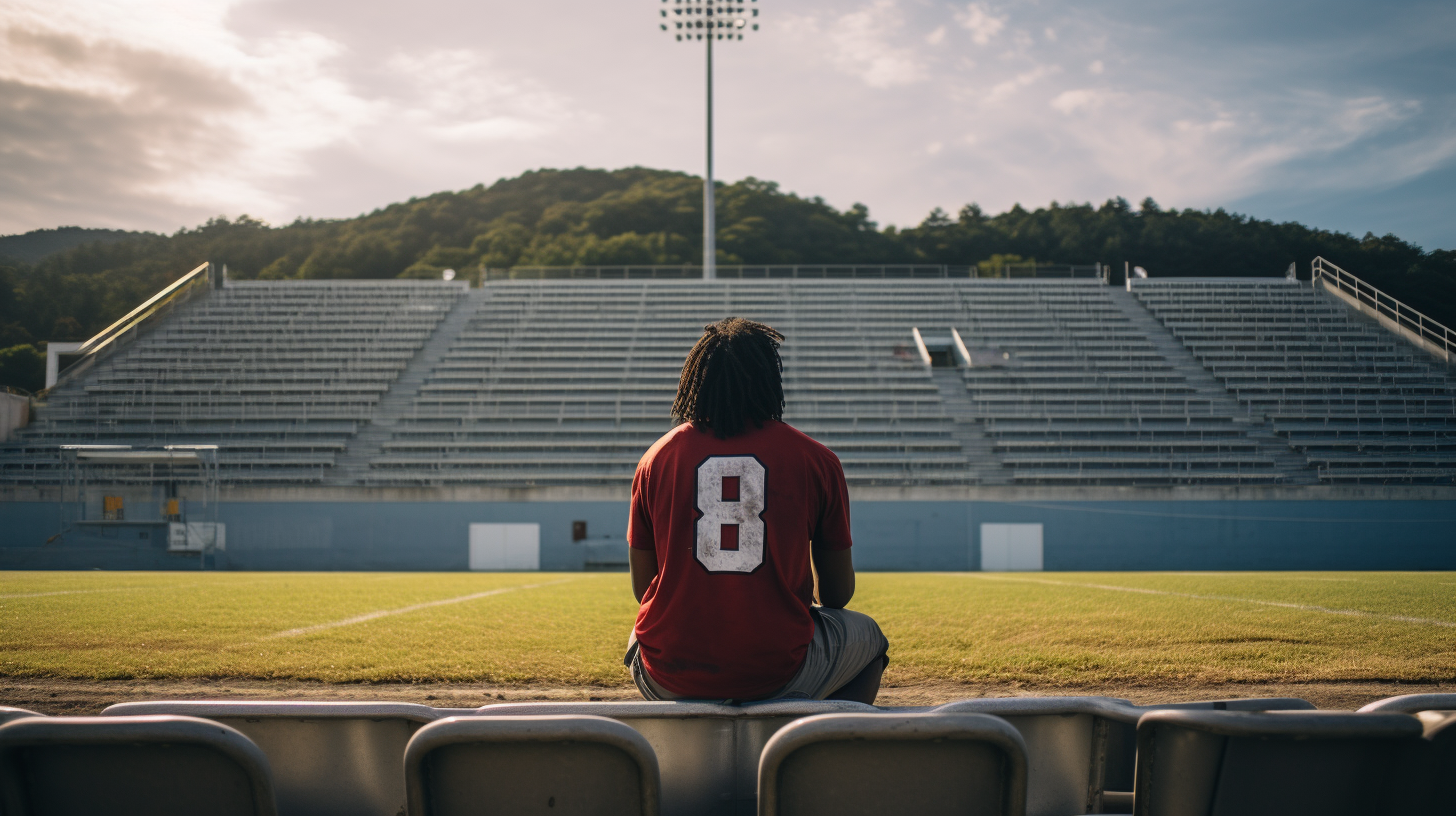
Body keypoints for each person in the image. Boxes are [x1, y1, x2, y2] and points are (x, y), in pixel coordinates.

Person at [624, 317, 889, 703]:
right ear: (770, 380)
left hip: (669, 676)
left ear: (694, 380)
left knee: (640, 631)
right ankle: (821, 743)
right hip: (779, 671)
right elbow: (838, 595)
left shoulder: (656, 459)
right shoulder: (816, 459)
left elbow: (641, 588)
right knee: (870, 639)